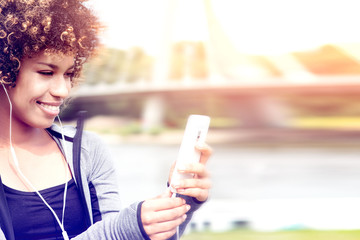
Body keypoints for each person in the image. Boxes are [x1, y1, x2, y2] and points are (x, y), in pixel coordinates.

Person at [0, 0, 212, 240]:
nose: (63, 90)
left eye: (69, 74)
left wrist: (180, 203)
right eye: (46, 72)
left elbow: (123, 235)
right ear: (5, 68)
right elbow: (117, 232)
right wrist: (126, 227)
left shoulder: (88, 150)